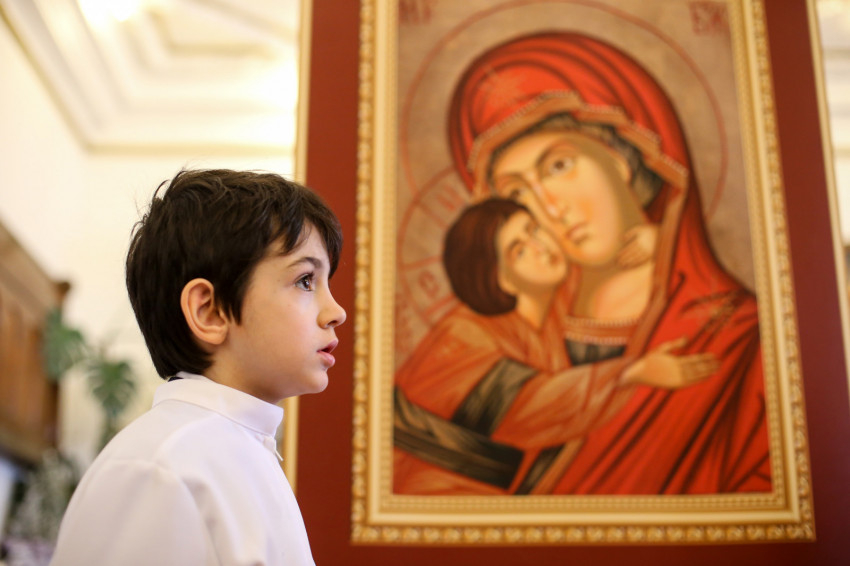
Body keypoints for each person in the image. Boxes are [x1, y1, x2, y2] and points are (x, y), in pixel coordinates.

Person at [446, 32, 770, 494]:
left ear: (621, 160)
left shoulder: (734, 332)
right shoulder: (520, 326)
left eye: (559, 166)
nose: (549, 208)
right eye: (517, 192)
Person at [51, 169, 346, 565]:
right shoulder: (161, 468)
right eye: (306, 280)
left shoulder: (241, 450)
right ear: (209, 311)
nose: (337, 311)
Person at [394, 197, 717, 495]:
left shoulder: (554, 297)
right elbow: (528, 408)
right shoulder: (463, 335)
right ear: (502, 280)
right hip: (445, 491)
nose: (540, 246)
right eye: (519, 251)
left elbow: (611, 268)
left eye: (534, 229)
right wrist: (631, 372)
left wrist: (659, 238)